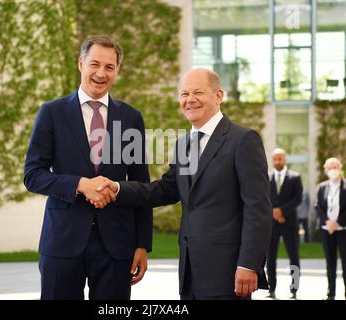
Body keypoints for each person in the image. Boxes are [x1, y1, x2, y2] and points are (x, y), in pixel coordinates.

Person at [96, 68, 272, 300]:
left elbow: (258, 209)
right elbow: (165, 190)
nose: (190, 100)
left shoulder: (243, 140)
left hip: (228, 271)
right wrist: (117, 188)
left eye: (198, 92)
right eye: (184, 94)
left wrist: (249, 265)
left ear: (218, 96)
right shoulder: (184, 145)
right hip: (190, 271)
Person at [24, 35, 152, 300]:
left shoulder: (131, 118)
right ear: (81, 63)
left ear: (117, 71)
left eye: (109, 67)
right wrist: (81, 184)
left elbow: (142, 185)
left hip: (117, 246)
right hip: (62, 241)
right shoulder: (52, 113)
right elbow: (33, 175)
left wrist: (142, 244)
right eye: (95, 64)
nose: (101, 73)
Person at [266, 148, 303, 299]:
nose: (277, 162)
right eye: (275, 159)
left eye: (280, 159)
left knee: (293, 257)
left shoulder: (295, 177)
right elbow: (263, 199)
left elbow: (298, 199)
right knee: (270, 257)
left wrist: (281, 211)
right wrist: (274, 213)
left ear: (285, 159)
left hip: (289, 223)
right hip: (272, 224)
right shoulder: (266, 177)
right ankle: (271, 289)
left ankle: (294, 290)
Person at [315, 157, 346, 300]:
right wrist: (328, 222)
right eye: (330, 168)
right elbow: (317, 206)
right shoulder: (322, 186)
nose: (333, 170)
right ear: (326, 170)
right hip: (326, 229)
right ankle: (331, 293)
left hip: (342, 229)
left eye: (335, 167)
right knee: (330, 262)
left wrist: (337, 222)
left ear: (340, 168)